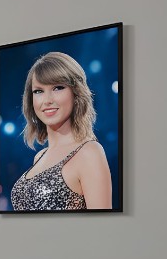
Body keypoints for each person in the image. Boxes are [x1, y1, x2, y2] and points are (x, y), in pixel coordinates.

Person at [10, 51, 111, 210]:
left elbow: (103, 226)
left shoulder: (89, 152)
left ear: (76, 93)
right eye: (38, 91)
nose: (47, 100)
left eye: (58, 88)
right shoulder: (39, 156)